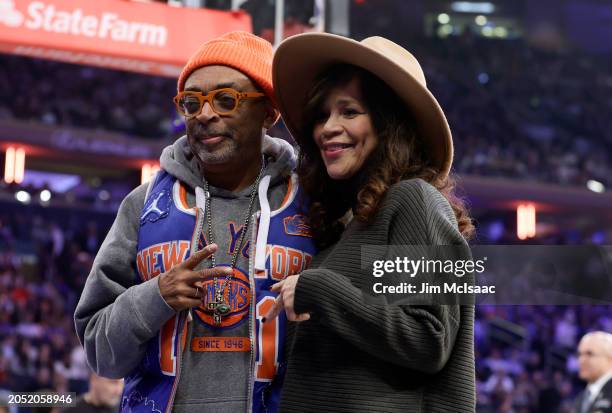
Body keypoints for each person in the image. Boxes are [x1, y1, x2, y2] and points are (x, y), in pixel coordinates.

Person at [74, 31, 317, 413]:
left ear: (270, 112)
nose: (204, 114)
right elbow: (100, 355)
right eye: (191, 102)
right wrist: (155, 296)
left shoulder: (313, 204)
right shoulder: (143, 205)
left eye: (226, 100)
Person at [265, 33, 476, 412]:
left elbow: (429, 338)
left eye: (349, 112)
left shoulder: (413, 199)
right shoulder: (342, 228)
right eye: (322, 115)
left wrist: (321, 289)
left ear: (388, 124)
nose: (327, 127)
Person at [573, 331, 612, 413]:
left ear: (610, 359)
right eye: (579, 354)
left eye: (589, 354)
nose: (581, 360)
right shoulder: (580, 399)